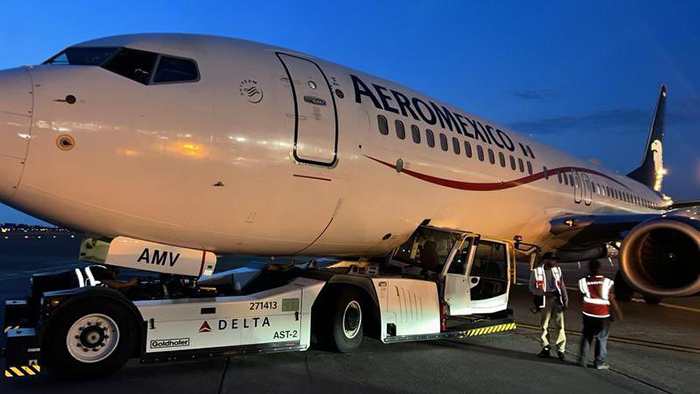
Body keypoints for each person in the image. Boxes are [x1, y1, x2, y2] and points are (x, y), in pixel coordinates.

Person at [577, 259, 623, 369]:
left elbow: (581, 296)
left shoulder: (583, 281)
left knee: (587, 336)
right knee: (601, 338)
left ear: (589, 269)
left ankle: (582, 360)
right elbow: (611, 299)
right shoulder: (607, 282)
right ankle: (599, 362)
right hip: (602, 314)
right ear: (599, 269)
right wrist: (618, 312)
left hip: (588, 313)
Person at [529, 252, 568, 361]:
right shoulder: (537, 271)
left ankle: (561, 350)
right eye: (552, 260)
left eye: (555, 260)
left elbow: (562, 285)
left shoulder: (557, 270)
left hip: (557, 300)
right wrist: (544, 294)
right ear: (545, 260)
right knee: (544, 326)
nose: (554, 262)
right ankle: (545, 348)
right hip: (545, 301)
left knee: (560, 326)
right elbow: (531, 287)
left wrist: (565, 300)